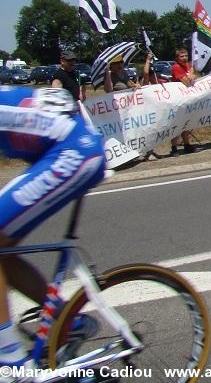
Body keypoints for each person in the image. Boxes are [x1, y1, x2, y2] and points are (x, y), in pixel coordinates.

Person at [0, 87, 105, 370]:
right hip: (64, 149)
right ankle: (70, 321)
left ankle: (10, 357)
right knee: (3, 254)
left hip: (75, 152)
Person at [170, 47, 198, 156]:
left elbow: (194, 76)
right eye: (182, 56)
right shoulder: (176, 67)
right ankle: (174, 147)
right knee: (177, 123)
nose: (184, 58)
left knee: (186, 123)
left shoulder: (188, 65)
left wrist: (192, 76)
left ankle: (187, 144)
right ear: (177, 58)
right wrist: (191, 76)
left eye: (186, 56)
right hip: (177, 98)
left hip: (186, 97)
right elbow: (186, 82)